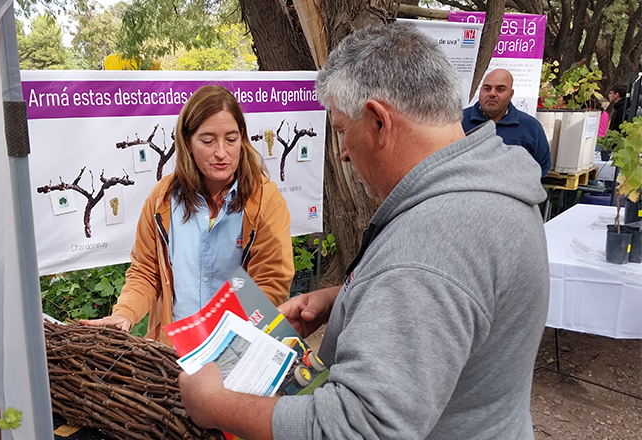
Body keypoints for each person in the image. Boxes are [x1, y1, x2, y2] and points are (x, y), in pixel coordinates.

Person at [178, 23, 550, 440]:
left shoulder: (428, 247)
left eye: (340, 130)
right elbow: (461, 302)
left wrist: (215, 404)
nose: (341, 152)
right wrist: (348, 297)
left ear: (378, 122)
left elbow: (357, 429)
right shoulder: (492, 186)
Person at [80, 85, 294, 344]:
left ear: (243, 139)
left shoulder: (265, 199)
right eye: (207, 141)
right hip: (174, 349)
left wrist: (223, 343)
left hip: (236, 346)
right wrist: (125, 313)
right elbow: (146, 271)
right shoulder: (163, 197)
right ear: (187, 143)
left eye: (231, 138)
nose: (221, 152)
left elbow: (271, 280)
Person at [462, 69, 552, 176]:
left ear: (511, 94)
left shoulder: (531, 127)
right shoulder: (458, 122)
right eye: (487, 88)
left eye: (500, 89)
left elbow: (542, 166)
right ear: (481, 91)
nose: (492, 94)